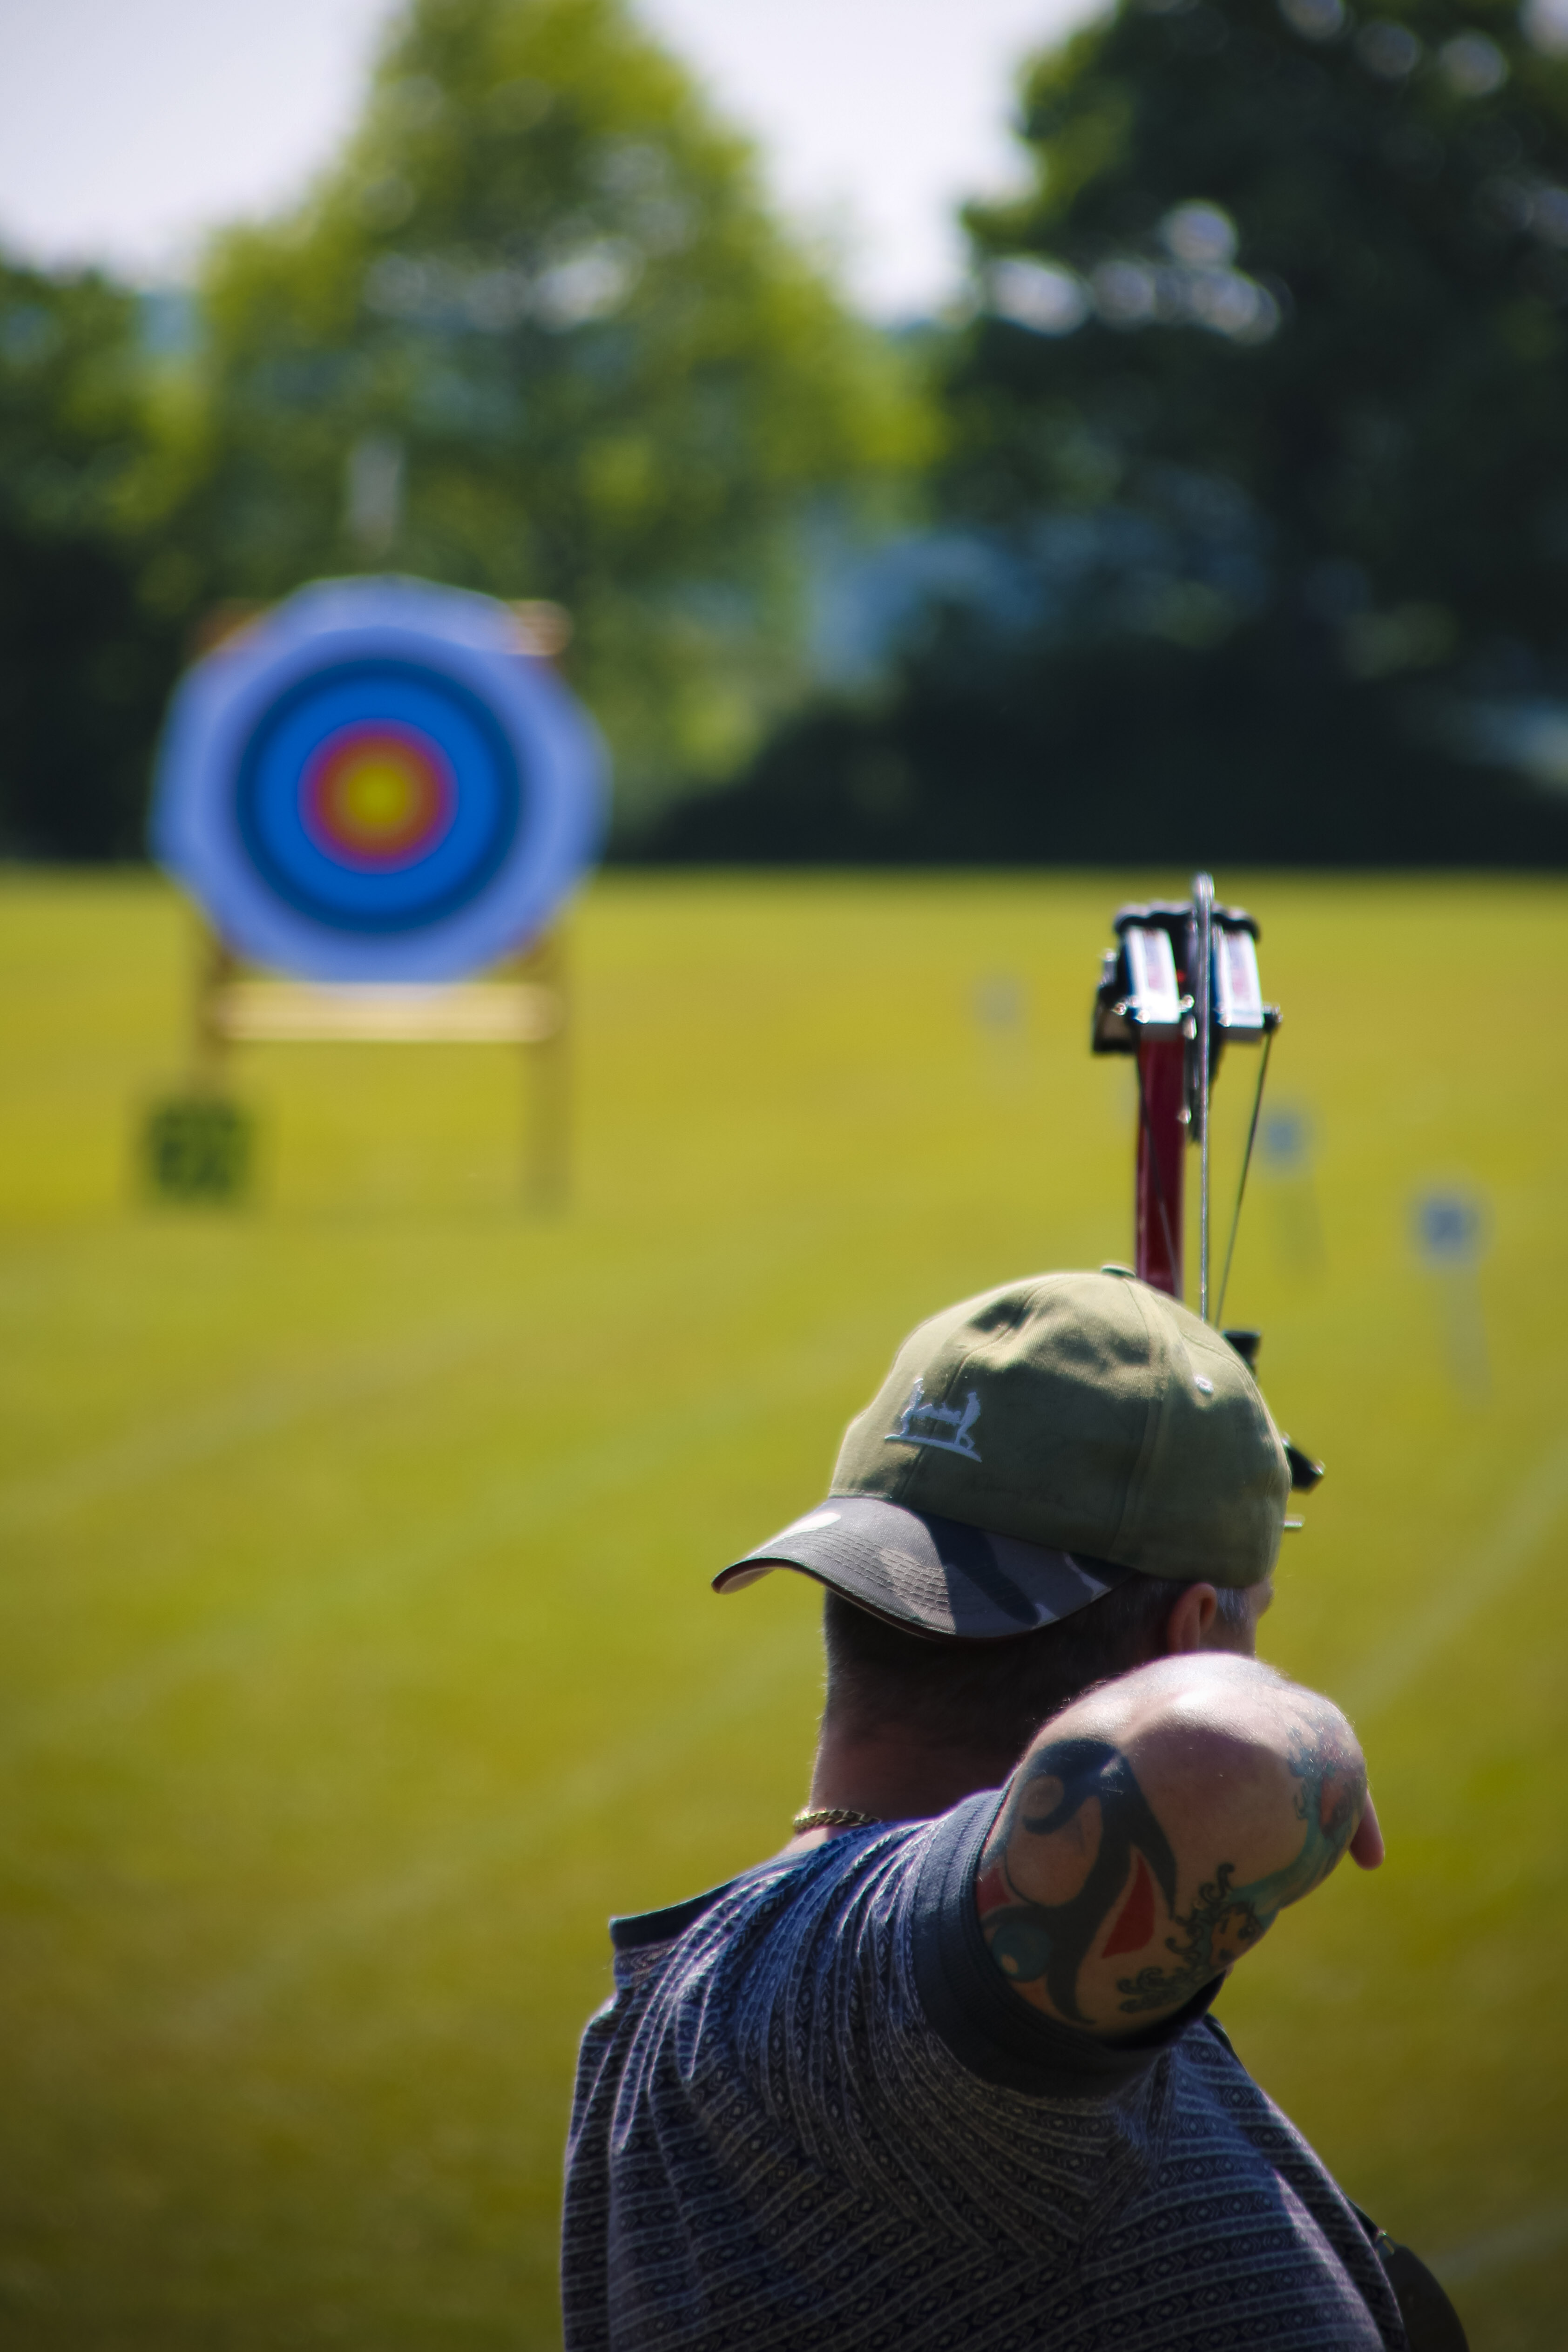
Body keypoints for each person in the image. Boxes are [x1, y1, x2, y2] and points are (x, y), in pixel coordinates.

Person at [562, 1269, 1467, 2351]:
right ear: (1188, 1637)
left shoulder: (778, 1995)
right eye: (1251, 1623)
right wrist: (1290, 1723)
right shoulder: (866, 2008)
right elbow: (1205, 1753)